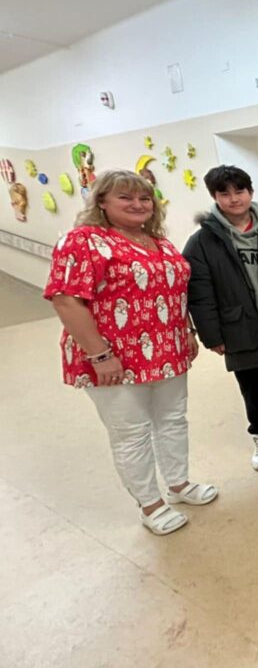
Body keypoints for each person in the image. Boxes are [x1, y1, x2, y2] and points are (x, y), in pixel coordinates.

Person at [45, 170, 217, 536]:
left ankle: (178, 484)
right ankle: (150, 504)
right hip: (113, 357)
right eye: (125, 197)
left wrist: (186, 331)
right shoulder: (84, 241)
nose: (137, 204)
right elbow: (66, 300)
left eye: (144, 198)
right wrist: (99, 355)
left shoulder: (159, 242)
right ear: (101, 202)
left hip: (167, 350)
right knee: (132, 432)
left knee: (173, 420)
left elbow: (174, 292)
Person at [183, 166, 258, 471]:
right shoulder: (202, 242)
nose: (234, 198)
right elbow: (199, 294)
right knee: (252, 387)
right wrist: (211, 335)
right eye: (225, 193)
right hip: (237, 327)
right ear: (214, 197)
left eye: (240, 191)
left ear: (250, 192)